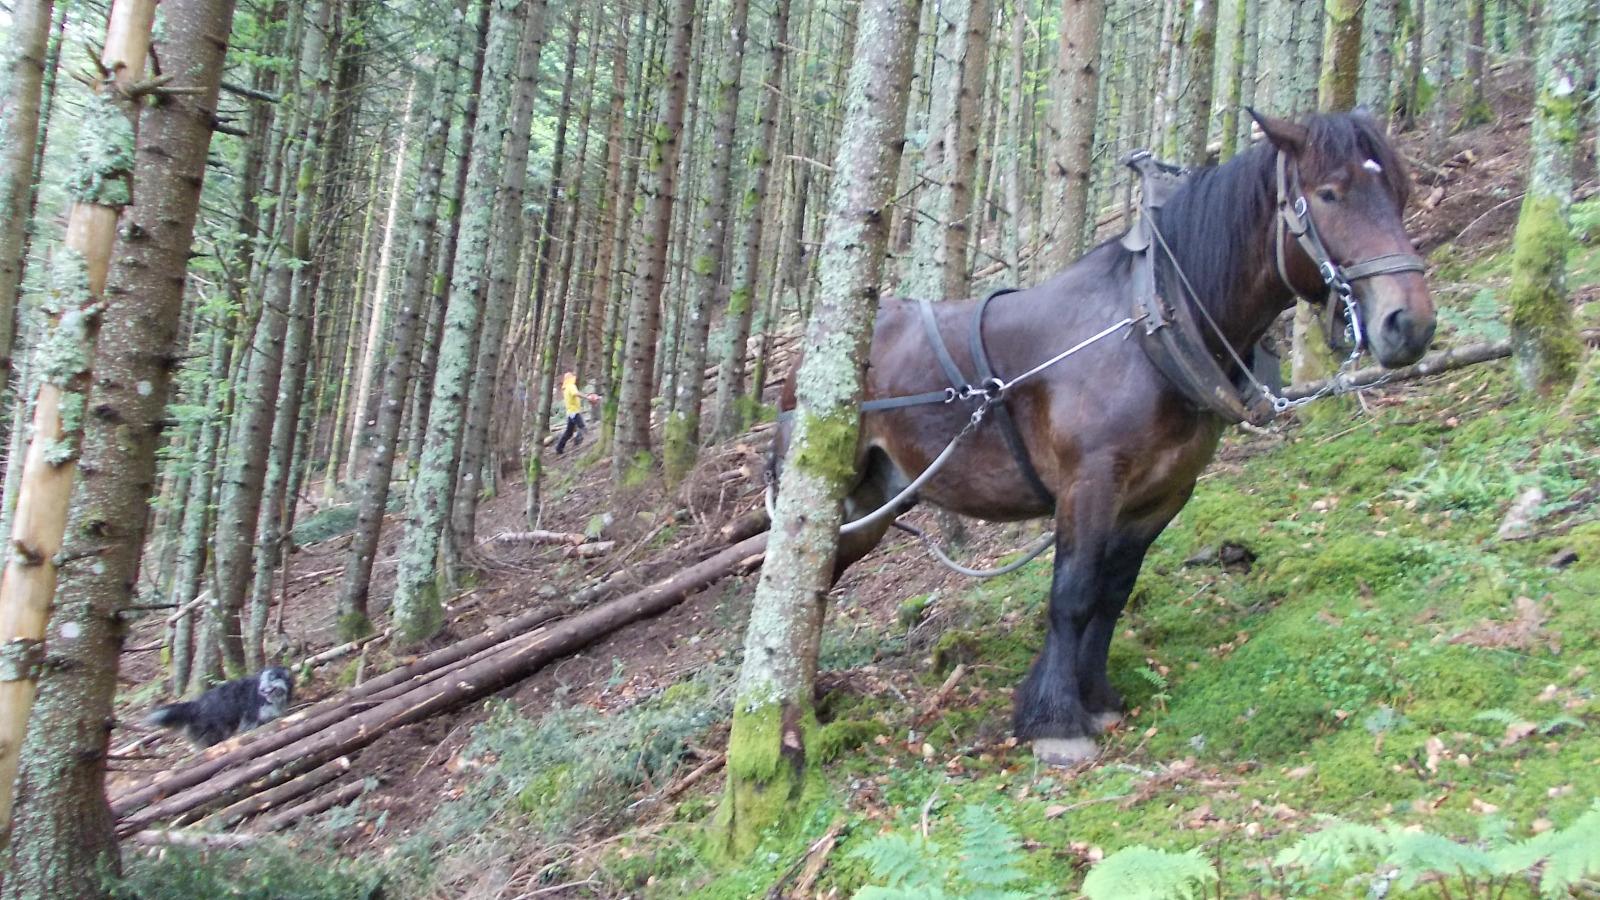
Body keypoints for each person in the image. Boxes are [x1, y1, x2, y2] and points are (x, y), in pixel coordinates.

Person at [555, 371, 599, 455]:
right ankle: (585, 441)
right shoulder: (571, 386)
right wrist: (587, 397)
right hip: (574, 412)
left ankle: (559, 448)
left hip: (570, 412)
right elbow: (576, 394)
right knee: (582, 427)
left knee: (569, 432)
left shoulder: (566, 388)